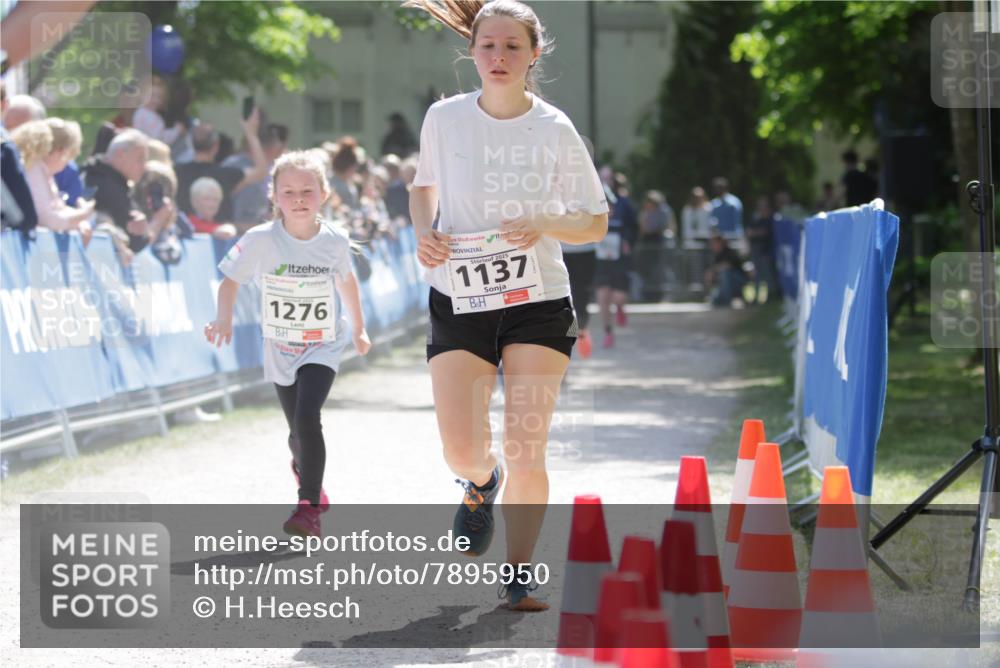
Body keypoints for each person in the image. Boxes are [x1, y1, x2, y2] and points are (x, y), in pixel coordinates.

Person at [407, 0, 608, 611]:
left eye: (512, 47)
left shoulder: (553, 128)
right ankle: (480, 481)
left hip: (537, 299)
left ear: (533, 54)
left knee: (528, 444)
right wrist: (425, 231)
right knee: (460, 448)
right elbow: (423, 189)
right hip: (459, 294)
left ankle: (519, 573)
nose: (499, 57)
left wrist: (546, 219)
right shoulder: (444, 118)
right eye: (488, 45)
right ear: (471, 51)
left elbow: (595, 221)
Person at [205, 150, 372, 537]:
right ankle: (304, 466)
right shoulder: (261, 240)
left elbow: (347, 283)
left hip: (322, 344)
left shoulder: (334, 241)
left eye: (307, 191)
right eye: (289, 191)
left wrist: (360, 329)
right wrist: (223, 317)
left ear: (324, 193)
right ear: (275, 197)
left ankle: (307, 507)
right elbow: (230, 281)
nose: (299, 199)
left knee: (307, 416)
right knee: (296, 432)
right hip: (280, 347)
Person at [175, 110, 267, 221]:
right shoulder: (227, 174)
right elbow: (261, 171)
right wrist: (251, 133)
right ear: (216, 146)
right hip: (220, 235)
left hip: (184, 234)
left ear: (192, 145)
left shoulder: (176, 172)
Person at [12, 118, 95, 242]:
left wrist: (79, 221)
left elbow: (58, 210)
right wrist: (85, 213)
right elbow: (46, 218)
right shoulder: (33, 170)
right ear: (59, 151)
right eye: (69, 154)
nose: (68, 162)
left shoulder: (42, 172)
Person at [593, 173, 638, 348]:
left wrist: (628, 241)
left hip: (620, 258)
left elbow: (634, 227)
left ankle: (620, 307)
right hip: (601, 261)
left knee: (618, 297)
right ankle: (608, 331)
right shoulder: (592, 206)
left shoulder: (625, 205)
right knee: (603, 296)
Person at [224, 122, 289, 228]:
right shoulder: (237, 168)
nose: (279, 155)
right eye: (278, 151)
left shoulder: (271, 169)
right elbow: (242, 221)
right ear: (272, 150)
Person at [636, 189, 674, 303]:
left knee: (660, 270)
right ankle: (648, 295)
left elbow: (666, 226)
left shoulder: (664, 211)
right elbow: (642, 228)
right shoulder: (645, 212)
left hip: (659, 242)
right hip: (647, 242)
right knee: (647, 269)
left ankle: (660, 295)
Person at [745, 195, 778, 304]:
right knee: (757, 275)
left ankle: (771, 296)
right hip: (756, 249)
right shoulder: (755, 217)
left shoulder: (771, 218)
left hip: (766, 250)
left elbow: (765, 232)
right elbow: (750, 232)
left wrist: (756, 233)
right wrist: (757, 232)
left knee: (768, 274)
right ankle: (757, 297)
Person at [705, 230, 748, 307]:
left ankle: (727, 300)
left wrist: (714, 270)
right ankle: (721, 298)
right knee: (715, 301)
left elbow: (727, 266)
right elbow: (712, 274)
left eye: (714, 243)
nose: (712, 246)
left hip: (738, 282)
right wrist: (710, 276)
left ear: (720, 243)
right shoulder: (716, 256)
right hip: (725, 286)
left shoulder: (729, 252)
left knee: (726, 273)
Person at [710, 176, 744, 248]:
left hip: (733, 239)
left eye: (719, 188)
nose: (717, 190)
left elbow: (736, 222)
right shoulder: (714, 204)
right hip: (719, 241)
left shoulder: (734, 203)